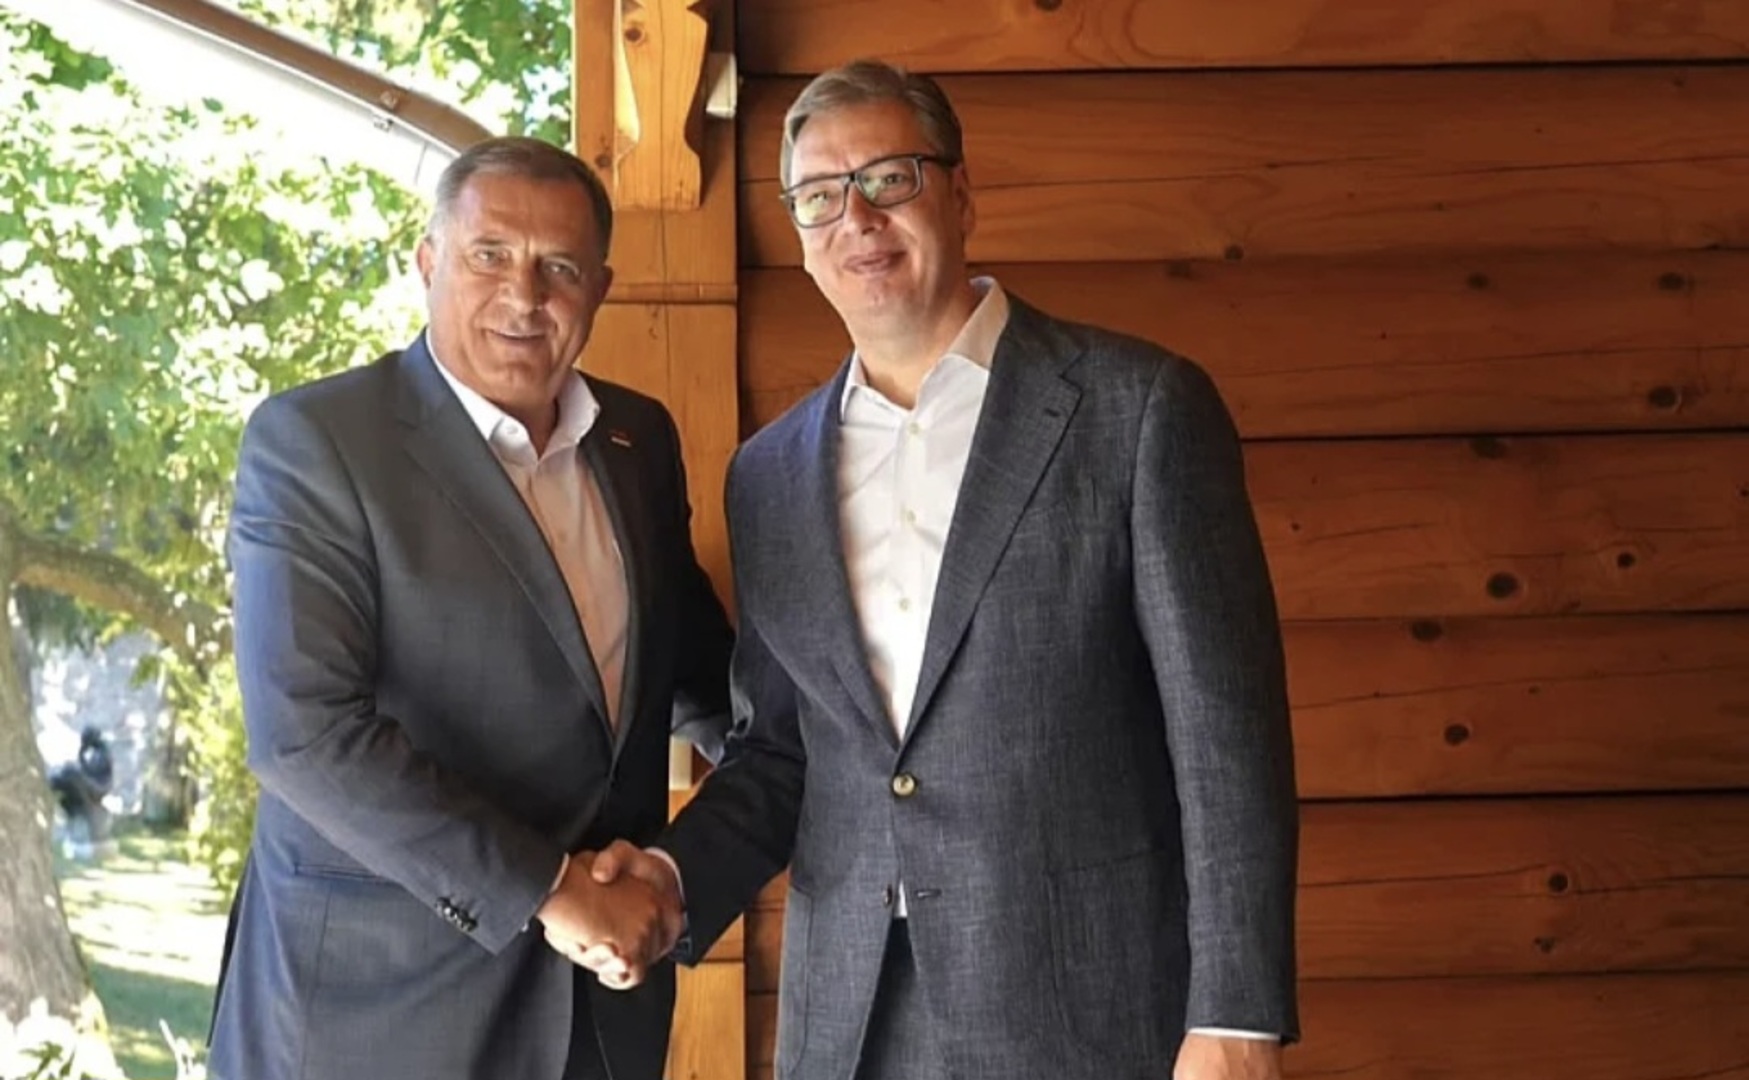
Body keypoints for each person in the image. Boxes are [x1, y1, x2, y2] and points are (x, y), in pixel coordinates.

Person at [591, 59, 1300, 1080]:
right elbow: (784, 752)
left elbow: (1225, 736)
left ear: (960, 194)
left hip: (1088, 1011)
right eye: (819, 196)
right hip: (850, 1020)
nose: (857, 219)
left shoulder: (1136, 409)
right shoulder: (768, 475)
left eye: (890, 178)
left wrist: (1237, 1014)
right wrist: (668, 877)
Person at [207, 135, 733, 1080]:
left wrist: (792, 807)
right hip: (373, 1015)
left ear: (600, 288)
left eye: (558, 267)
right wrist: (552, 889)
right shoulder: (317, 440)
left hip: (597, 1016)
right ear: (427, 261)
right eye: (490, 255)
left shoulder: (636, 442)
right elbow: (304, 736)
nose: (523, 295)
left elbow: (698, 679)